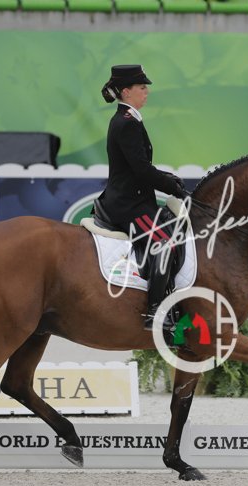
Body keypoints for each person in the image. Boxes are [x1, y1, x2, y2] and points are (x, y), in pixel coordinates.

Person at [97, 64, 189, 333]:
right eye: (142, 87)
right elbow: (140, 170)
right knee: (164, 244)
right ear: (126, 91)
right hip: (128, 205)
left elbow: (139, 166)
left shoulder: (129, 119)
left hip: (135, 199)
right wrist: (172, 187)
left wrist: (168, 177)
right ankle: (155, 312)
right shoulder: (126, 123)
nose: (146, 92)